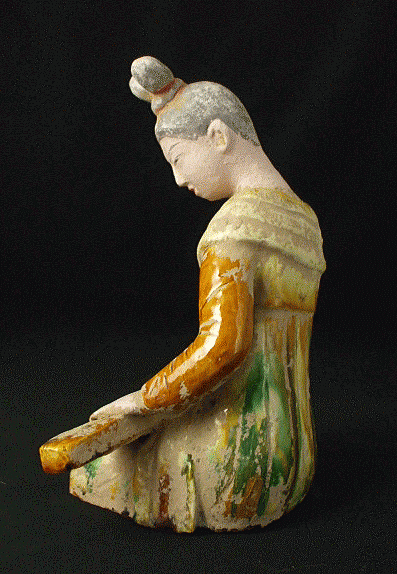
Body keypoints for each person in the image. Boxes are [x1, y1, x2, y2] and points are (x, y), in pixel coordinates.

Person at [69, 56, 326, 532]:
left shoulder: (234, 231)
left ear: (218, 136)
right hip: (295, 456)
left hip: (237, 462)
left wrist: (139, 404)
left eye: (177, 159)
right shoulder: (304, 223)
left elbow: (223, 347)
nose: (178, 178)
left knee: (101, 467)